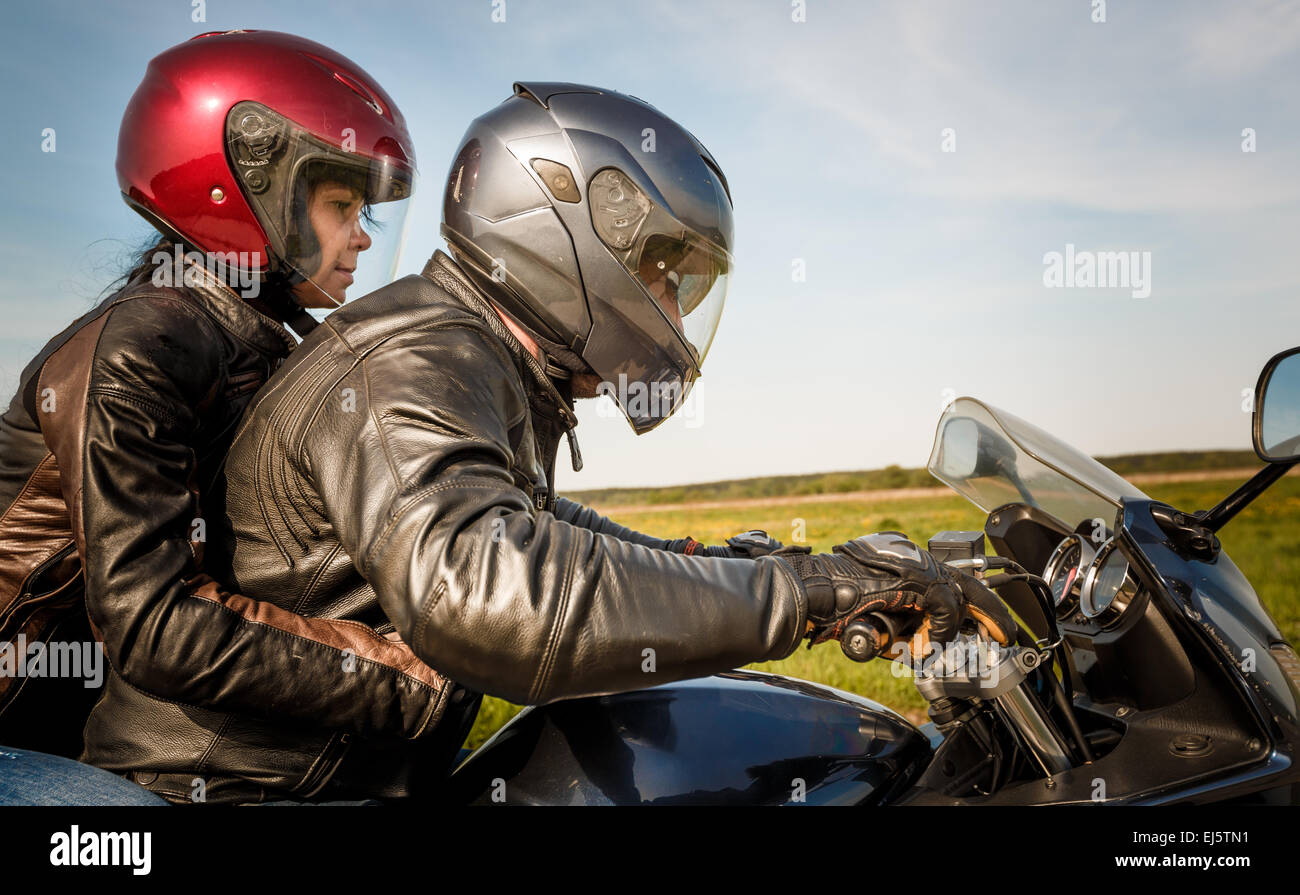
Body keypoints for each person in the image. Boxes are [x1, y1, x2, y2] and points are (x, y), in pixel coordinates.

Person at [112, 82, 1015, 804]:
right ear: (563, 235)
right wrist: (805, 596)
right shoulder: (413, 359)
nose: (672, 312)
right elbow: (487, 585)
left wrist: (776, 564)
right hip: (241, 790)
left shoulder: (472, 353)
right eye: (664, 277)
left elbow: (545, 529)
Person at [0, 30, 454, 805]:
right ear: (243, 183)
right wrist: (409, 683)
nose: (364, 234)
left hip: (95, 731)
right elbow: (153, 621)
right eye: (342, 204)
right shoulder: (138, 348)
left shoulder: (266, 345)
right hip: (25, 733)